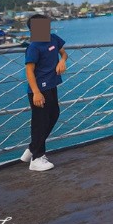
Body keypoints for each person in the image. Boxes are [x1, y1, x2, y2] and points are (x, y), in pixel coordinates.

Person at [21, 14, 67, 171]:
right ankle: (36, 158)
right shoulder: (34, 47)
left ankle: (32, 148)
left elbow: (64, 53)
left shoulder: (53, 39)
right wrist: (36, 92)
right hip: (39, 89)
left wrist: (62, 61)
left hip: (52, 85)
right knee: (40, 122)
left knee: (53, 115)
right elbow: (29, 71)